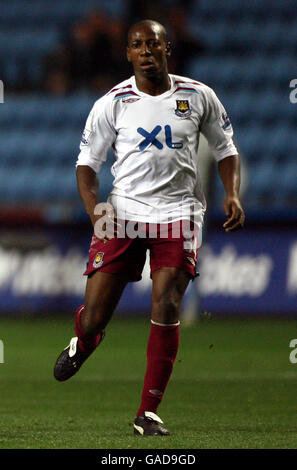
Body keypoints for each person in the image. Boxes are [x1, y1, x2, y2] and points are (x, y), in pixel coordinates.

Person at [54, 19, 245, 436]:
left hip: (179, 213)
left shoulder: (198, 96)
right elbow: (87, 166)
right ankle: (84, 341)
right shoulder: (112, 102)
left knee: (168, 301)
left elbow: (226, 149)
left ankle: (148, 412)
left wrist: (232, 193)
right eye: (137, 44)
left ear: (166, 49)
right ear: (128, 54)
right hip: (123, 214)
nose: (145, 50)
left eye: (153, 43)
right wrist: (95, 211)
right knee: (95, 317)